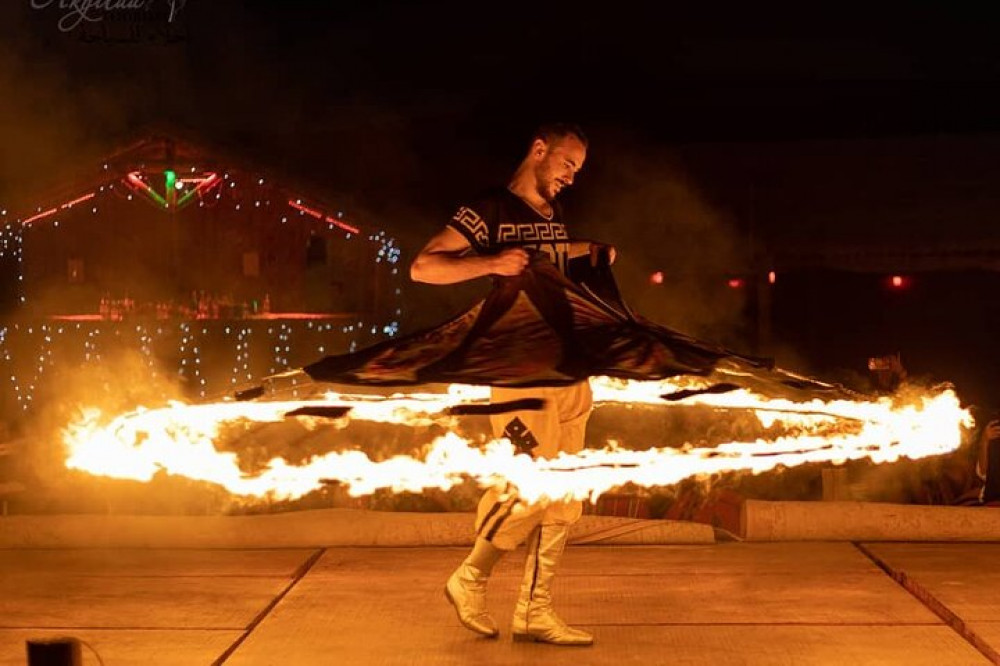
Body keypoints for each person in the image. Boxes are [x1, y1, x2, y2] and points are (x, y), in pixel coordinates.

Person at [410, 123, 613, 646]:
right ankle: (469, 578)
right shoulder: (490, 207)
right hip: (520, 370)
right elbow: (424, 267)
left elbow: (544, 266)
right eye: (567, 163)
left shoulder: (552, 213)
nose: (571, 176)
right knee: (527, 490)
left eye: (578, 169)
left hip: (568, 365)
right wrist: (490, 263)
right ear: (539, 151)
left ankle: (535, 612)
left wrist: (588, 252)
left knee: (565, 496)